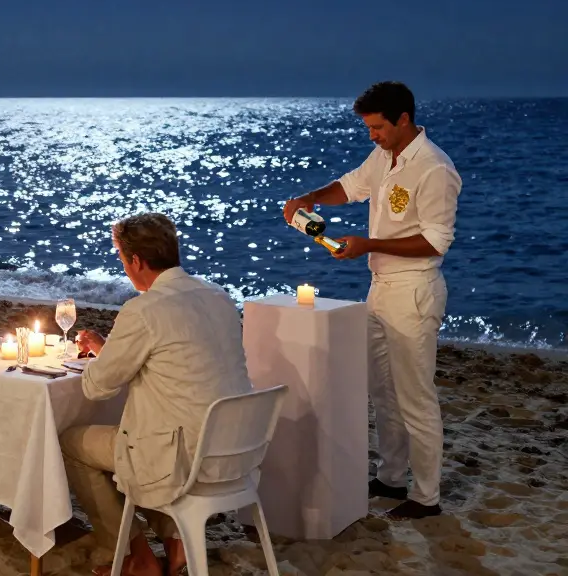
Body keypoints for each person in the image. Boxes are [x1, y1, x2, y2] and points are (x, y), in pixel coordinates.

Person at [284, 81, 461, 520]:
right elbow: (351, 186)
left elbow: (437, 242)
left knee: (415, 397)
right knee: (382, 391)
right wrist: (309, 198)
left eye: (378, 127)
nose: (372, 135)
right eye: (368, 128)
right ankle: (391, 476)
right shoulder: (384, 156)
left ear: (404, 119)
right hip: (379, 288)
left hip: (415, 292)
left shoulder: (435, 168)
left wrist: (370, 245)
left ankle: (425, 497)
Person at [61, 213, 251, 576]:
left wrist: (107, 354)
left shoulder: (144, 309)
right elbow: (179, 360)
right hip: (234, 451)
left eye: (121, 257)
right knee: (143, 434)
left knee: (73, 442)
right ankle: (177, 542)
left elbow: (96, 387)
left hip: (181, 460)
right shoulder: (218, 296)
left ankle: (137, 557)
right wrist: (110, 349)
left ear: (135, 260)